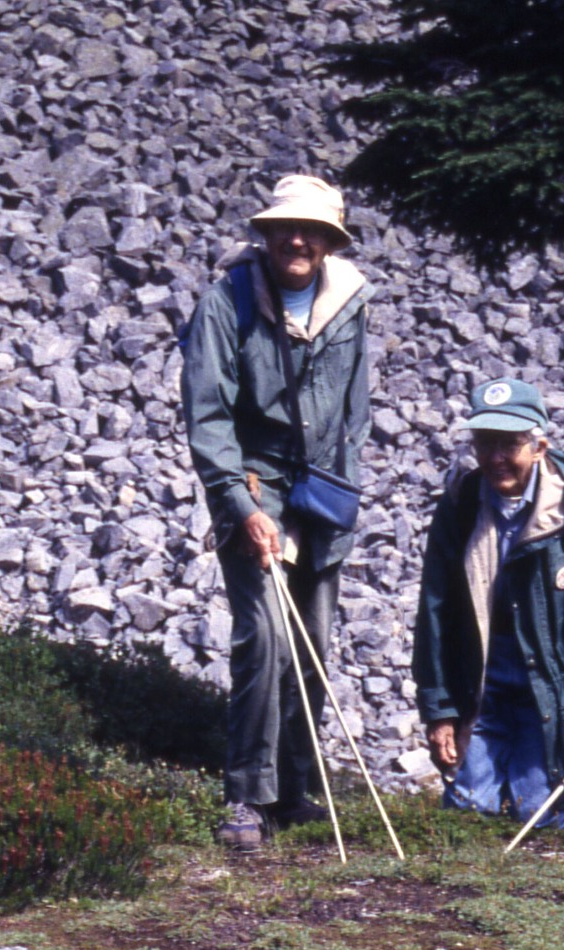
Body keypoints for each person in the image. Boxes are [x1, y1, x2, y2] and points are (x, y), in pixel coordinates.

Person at [181, 175, 374, 852]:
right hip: (255, 482)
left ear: (329, 241)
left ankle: (298, 786)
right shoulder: (225, 303)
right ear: (265, 234)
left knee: (314, 644)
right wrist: (240, 505)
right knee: (263, 634)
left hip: (322, 491)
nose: (298, 239)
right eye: (285, 228)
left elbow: (356, 411)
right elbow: (207, 418)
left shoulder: (351, 303)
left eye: (312, 230)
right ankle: (246, 794)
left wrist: (341, 491)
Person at [412, 378, 564, 825]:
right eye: (484, 443)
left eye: (509, 445)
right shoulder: (459, 506)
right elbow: (433, 613)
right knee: (468, 814)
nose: (495, 458)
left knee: (541, 817)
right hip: (482, 686)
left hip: (550, 691)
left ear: (539, 446)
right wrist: (439, 710)